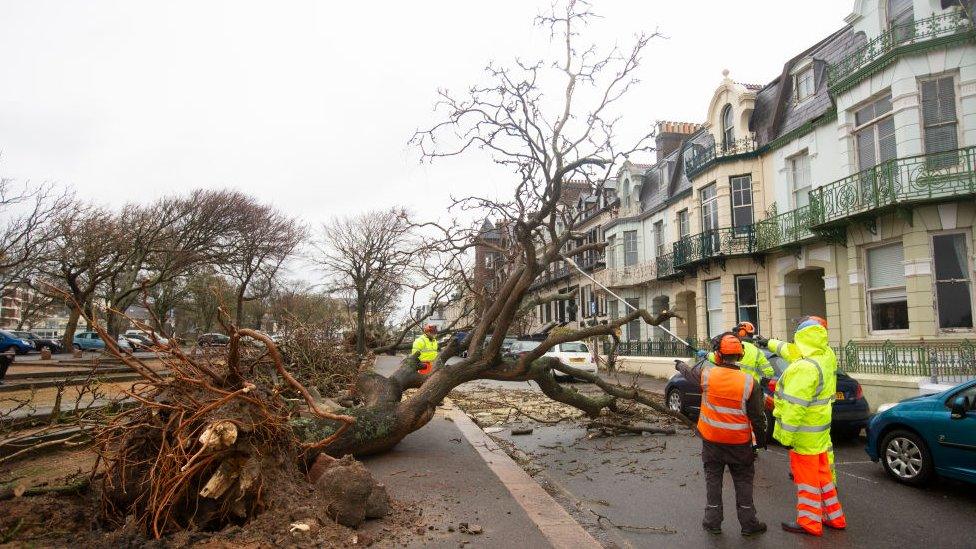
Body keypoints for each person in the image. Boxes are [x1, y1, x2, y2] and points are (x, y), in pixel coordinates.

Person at [675, 333, 768, 537]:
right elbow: (758, 418)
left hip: (712, 441)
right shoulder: (749, 382)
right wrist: (760, 442)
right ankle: (748, 523)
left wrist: (680, 365)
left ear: (718, 355)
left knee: (713, 480)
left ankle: (712, 521)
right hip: (739, 444)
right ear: (740, 356)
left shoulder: (708, 374)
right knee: (743, 482)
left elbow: (690, 373)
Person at [764, 316, 846, 537]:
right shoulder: (826, 355)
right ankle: (834, 517)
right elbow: (790, 350)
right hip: (820, 430)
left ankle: (809, 522)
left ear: (801, 337)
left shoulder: (803, 368)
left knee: (807, 481)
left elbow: (794, 407)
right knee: (823, 477)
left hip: (804, 433)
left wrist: (786, 437)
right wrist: (768, 343)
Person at [699, 322, 774, 383]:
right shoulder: (757, 351)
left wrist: (706, 354)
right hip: (750, 388)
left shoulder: (732, 346)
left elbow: (719, 357)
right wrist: (758, 382)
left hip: (732, 384)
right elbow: (769, 372)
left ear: (742, 333)